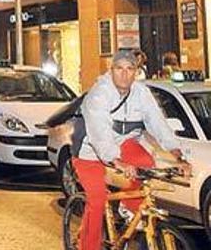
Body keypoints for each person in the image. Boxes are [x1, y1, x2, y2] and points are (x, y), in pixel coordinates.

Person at [73, 50, 192, 250]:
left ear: (136, 72)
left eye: (130, 69)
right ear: (111, 70)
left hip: (123, 145)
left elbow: (158, 124)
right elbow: (99, 133)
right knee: (97, 198)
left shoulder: (141, 93)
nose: (124, 74)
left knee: (146, 162)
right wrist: (117, 161)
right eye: (119, 68)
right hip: (90, 151)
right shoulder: (100, 94)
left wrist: (178, 155)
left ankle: (129, 207)